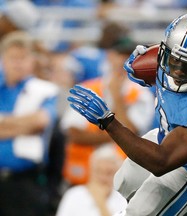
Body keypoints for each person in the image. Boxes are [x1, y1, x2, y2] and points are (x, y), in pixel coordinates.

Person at [68, 11, 187, 215]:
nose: (178, 71)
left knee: (139, 212)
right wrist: (152, 58)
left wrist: (108, 121)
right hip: (166, 134)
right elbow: (182, 51)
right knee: (124, 181)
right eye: (173, 59)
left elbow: (161, 162)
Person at [60, 35, 155, 186]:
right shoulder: (89, 88)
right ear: (110, 56)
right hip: (84, 177)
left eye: (128, 57)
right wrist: (116, 135)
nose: (123, 61)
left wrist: (117, 96)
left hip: (123, 180)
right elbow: (73, 133)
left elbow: (131, 130)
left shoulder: (141, 93)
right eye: (120, 55)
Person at [0, 31, 59, 216]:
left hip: (24, 181)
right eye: (12, 57)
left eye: (23, 57)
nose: (17, 62)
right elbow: (32, 122)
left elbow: (40, 121)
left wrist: (3, 122)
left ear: (32, 60)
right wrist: (23, 125)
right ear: (3, 59)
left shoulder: (43, 90)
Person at [56, 144, 127, 216]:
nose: (103, 178)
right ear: (91, 172)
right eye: (98, 171)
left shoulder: (123, 200)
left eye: (109, 173)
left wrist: (101, 203)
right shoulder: (74, 195)